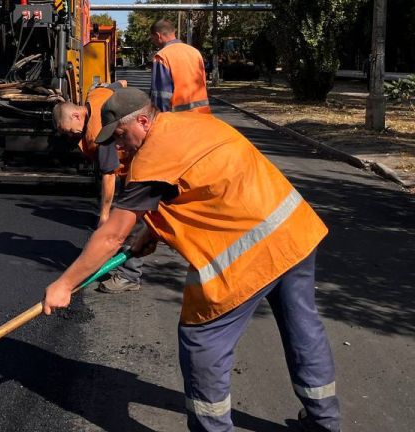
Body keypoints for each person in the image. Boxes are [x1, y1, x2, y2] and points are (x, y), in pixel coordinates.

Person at [43, 87, 338, 432]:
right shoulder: (189, 124)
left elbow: (111, 235)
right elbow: (196, 182)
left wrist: (65, 284)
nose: (120, 147)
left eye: (121, 136)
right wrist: (150, 233)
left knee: (201, 341)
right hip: (293, 230)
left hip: (250, 252)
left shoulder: (151, 158)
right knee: (302, 328)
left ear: (142, 120)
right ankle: (324, 422)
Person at [52, 80, 142, 293]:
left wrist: (104, 214)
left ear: (76, 116)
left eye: (69, 131)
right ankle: (113, 262)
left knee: (124, 222)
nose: (71, 135)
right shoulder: (96, 95)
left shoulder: (97, 132)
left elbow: (109, 175)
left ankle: (129, 276)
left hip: (138, 167)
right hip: (141, 153)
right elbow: (120, 83)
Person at [150, 18, 210, 113]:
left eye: (153, 39)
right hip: (202, 115)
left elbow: (161, 96)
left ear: (158, 35)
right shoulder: (195, 52)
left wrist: (159, 119)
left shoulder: (162, 56)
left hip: (177, 120)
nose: (154, 42)